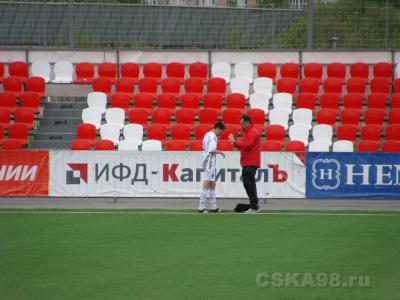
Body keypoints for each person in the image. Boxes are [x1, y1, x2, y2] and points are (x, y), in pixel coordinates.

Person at [229, 115, 261, 213]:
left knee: (249, 184)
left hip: (251, 162)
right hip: (247, 161)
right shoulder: (247, 132)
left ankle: (254, 206)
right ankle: (254, 205)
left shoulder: (252, 132)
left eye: (242, 123)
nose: (241, 125)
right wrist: (234, 143)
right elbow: (244, 146)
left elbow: (247, 145)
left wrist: (235, 142)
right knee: (249, 184)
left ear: (247, 122)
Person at [198, 121, 226, 213]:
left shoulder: (207, 134)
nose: (220, 134)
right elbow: (211, 150)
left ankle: (214, 207)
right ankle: (201, 207)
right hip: (209, 161)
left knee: (212, 183)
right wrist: (220, 152)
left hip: (208, 160)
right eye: (221, 132)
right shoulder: (213, 136)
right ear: (218, 128)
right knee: (207, 181)